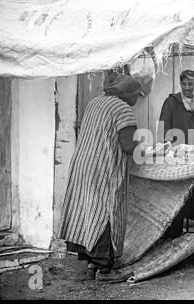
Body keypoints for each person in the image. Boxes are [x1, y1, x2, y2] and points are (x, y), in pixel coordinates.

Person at [59, 71, 143, 281]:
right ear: (129, 94)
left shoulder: (95, 102)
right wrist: (151, 151)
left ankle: (91, 264)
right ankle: (105, 270)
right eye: (137, 95)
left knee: (87, 212)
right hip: (103, 168)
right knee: (106, 213)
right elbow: (128, 145)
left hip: (82, 165)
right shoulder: (124, 110)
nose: (137, 100)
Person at [159, 69, 194, 238]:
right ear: (180, 84)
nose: (187, 87)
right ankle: (175, 235)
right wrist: (168, 147)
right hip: (178, 157)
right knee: (178, 196)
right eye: (184, 84)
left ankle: (193, 235)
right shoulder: (171, 102)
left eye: (190, 84)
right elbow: (163, 128)